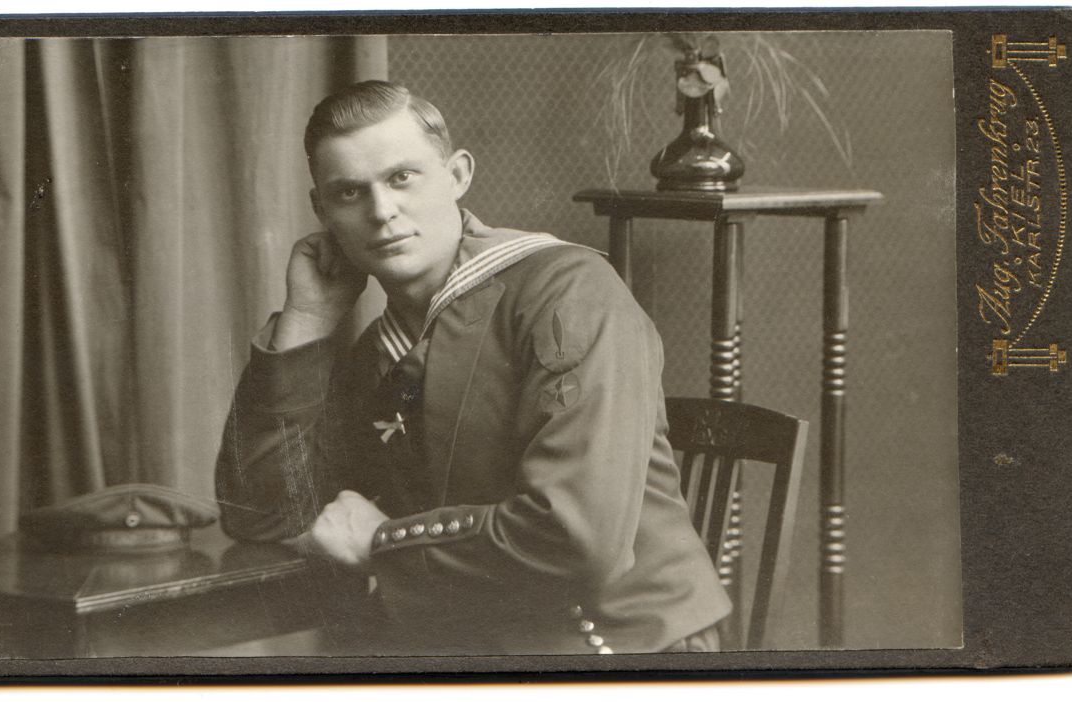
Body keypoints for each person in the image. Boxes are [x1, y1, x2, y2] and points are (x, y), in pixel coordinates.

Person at [215, 80, 730, 655]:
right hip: (467, 640)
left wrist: (382, 541)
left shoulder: (568, 294)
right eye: (349, 193)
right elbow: (266, 515)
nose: (381, 211)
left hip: (615, 648)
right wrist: (307, 319)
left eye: (402, 177)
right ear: (322, 211)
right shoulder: (379, 350)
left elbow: (577, 536)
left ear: (457, 175)